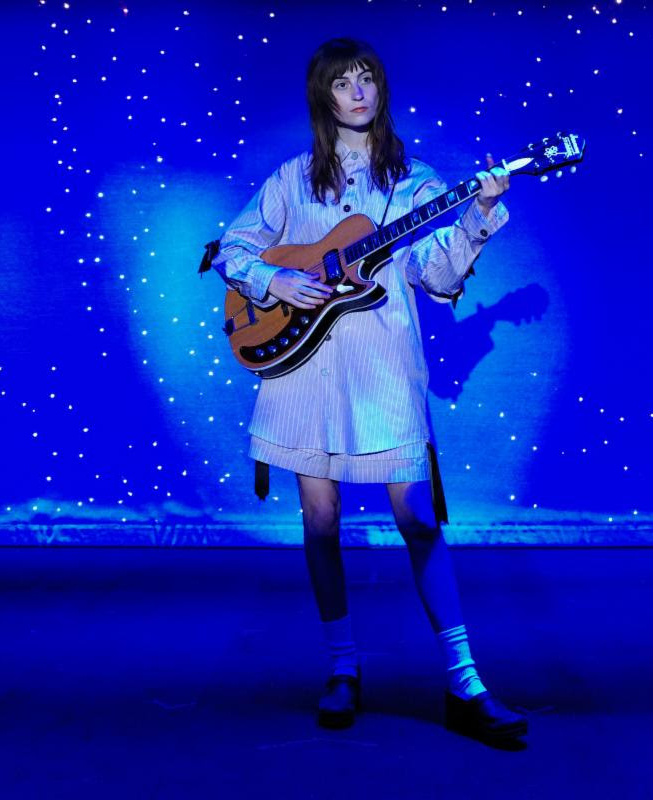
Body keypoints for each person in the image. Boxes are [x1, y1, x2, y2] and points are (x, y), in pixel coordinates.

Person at [211, 37, 527, 743]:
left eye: (368, 79)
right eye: (343, 82)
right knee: (320, 521)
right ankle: (343, 667)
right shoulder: (292, 179)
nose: (358, 92)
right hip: (302, 370)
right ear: (323, 96)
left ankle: (465, 681)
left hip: (381, 365)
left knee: (418, 518)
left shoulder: (415, 183)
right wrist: (274, 279)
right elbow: (232, 249)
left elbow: (437, 276)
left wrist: (478, 216)